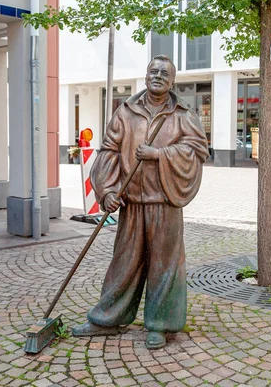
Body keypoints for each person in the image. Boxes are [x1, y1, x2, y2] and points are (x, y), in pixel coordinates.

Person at [71, 55, 208, 349]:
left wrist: (160, 154)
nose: (157, 76)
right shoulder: (126, 112)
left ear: (173, 81)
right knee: (124, 263)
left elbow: (197, 150)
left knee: (165, 265)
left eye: (164, 73)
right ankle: (106, 319)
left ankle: (160, 324)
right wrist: (107, 190)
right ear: (146, 76)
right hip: (132, 202)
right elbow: (109, 150)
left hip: (165, 203)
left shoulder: (183, 114)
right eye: (153, 71)